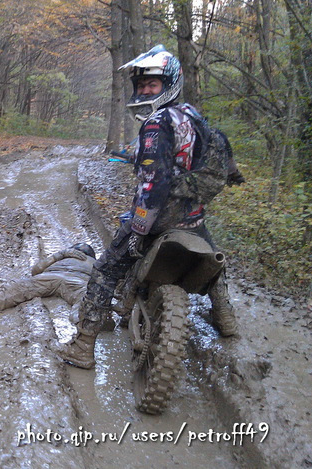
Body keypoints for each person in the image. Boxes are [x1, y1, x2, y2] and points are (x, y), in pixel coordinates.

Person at [55, 45, 237, 370]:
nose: (144, 91)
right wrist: (233, 174)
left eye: (151, 85)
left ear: (169, 83)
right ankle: (225, 315)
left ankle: (83, 345)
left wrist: (140, 229)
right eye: (141, 86)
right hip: (192, 216)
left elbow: (153, 184)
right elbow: (220, 148)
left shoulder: (156, 122)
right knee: (212, 257)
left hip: (161, 216)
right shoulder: (192, 116)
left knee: (105, 270)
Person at [0, 243, 107, 325]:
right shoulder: (95, 262)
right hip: (78, 280)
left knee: (16, 288)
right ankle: (87, 319)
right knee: (85, 299)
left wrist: (60, 255)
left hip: (52, 276)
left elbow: (35, 271)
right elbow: (104, 282)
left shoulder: (64, 257)